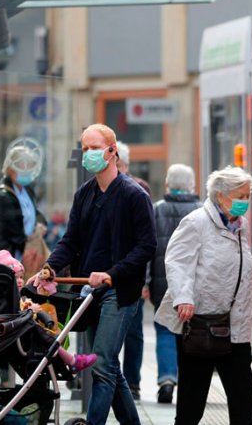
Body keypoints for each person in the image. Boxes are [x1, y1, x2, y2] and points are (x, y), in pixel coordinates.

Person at [38, 123, 156, 425]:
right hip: (89, 292)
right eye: (84, 148)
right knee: (107, 367)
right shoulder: (84, 195)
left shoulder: (134, 195)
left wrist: (112, 274)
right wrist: (50, 267)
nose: (87, 154)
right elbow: (71, 240)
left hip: (120, 291)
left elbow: (147, 246)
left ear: (112, 151)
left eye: (93, 147)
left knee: (101, 365)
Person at [155, 165, 252, 425]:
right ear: (221, 196)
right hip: (200, 325)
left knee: (244, 401)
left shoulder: (239, 226)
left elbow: (246, 270)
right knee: (192, 403)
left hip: (235, 328)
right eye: (240, 196)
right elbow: (178, 262)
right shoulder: (196, 223)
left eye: (247, 197)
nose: (245, 202)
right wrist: (183, 298)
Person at [0, 249, 97, 374]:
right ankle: (71, 361)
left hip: (5, 340)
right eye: (15, 278)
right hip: (17, 340)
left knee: (42, 332)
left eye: (21, 277)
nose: (20, 281)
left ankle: (70, 360)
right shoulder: (7, 300)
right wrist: (31, 310)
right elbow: (16, 315)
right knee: (42, 332)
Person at [148, 164, 202, 404]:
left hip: (163, 282)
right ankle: (191, 385)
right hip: (195, 284)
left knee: (165, 331)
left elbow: (148, 248)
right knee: (192, 334)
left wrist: (146, 281)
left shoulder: (156, 211)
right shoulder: (201, 210)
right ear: (192, 185)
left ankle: (167, 380)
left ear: (168, 184)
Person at [116, 141, 151, 400]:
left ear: (124, 165)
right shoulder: (94, 190)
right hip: (107, 277)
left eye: (117, 164)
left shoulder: (139, 191)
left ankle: (133, 382)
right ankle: (121, 384)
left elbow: (148, 242)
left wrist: (145, 279)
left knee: (134, 332)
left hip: (132, 276)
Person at [0, 137, 48, 277]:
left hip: (23, 254)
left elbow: (35, 213)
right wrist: (32, 248)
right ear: (13, 168)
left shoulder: (27, 189)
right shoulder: (2, 196)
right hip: (6, 258)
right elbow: (14, 232)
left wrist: (41, 224)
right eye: (26, 166)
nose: (29, 170)